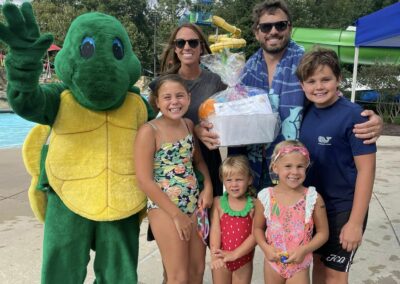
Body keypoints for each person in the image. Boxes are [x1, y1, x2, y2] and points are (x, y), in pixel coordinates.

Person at [196, 0, 382, 191]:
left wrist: (369, 119)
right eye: (266, 27)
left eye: (280, 25)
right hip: (251, 172)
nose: (273, 31)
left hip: (294, 172)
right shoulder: (246, 71)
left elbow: (331, 100)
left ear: (290, 27)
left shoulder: (307, 63)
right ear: (256, 32)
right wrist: (207, 128)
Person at [297, 47, 376, 284]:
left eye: (326, 79)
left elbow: (367, 170)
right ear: (302, 86)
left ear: (339, 79)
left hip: (342, 208)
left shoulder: (355, 116)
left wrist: (354, 223)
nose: (318, 87)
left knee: (335, 274)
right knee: (318, 267)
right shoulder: (305, 112)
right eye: (311, 81)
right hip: (312, 207)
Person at [135, 74, 213, 283]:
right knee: (178, 276)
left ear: (188, 97)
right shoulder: (149, 131)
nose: (174, 102)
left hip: (195, 205)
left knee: (196, 271)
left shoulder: (188, 125)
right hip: (165, 209)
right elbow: (144, 180)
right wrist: (176, 215)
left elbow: (199, 163)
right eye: (167, 97)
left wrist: (207, 187)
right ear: (157, 101)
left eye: (179, 96)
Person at [150, 23, 227, 197]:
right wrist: (194, 130)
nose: (187, 47)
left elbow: (228, 115)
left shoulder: (216, 81)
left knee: (205, 217)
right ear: (175, 48)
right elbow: (154, 122)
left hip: (207, 158)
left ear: (201, 47)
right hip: (173, 159)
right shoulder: (164, 82)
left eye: (193, 42)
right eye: (181, 43)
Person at [253, 140, 329, 284]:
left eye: (300, 166)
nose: (294, 172)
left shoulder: (313, 198)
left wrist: (305, 250)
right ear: (275, 167)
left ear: (306, 167)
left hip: (299, 265)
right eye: (288, 166)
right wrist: (265, 248)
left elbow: (323, 233)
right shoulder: (266, 197)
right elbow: (257, 228)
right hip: (272, 263)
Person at [210, 155, 257, 284]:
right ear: (222, 180)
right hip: (221, 258)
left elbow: (255, 235)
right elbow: (215, 230)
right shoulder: (218, 202)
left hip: (243, 260)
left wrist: (235, 254)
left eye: (239, 179)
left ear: (249, 179)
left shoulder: (255, 204)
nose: (234, 184)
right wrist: (214, 256)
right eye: (229, 180)